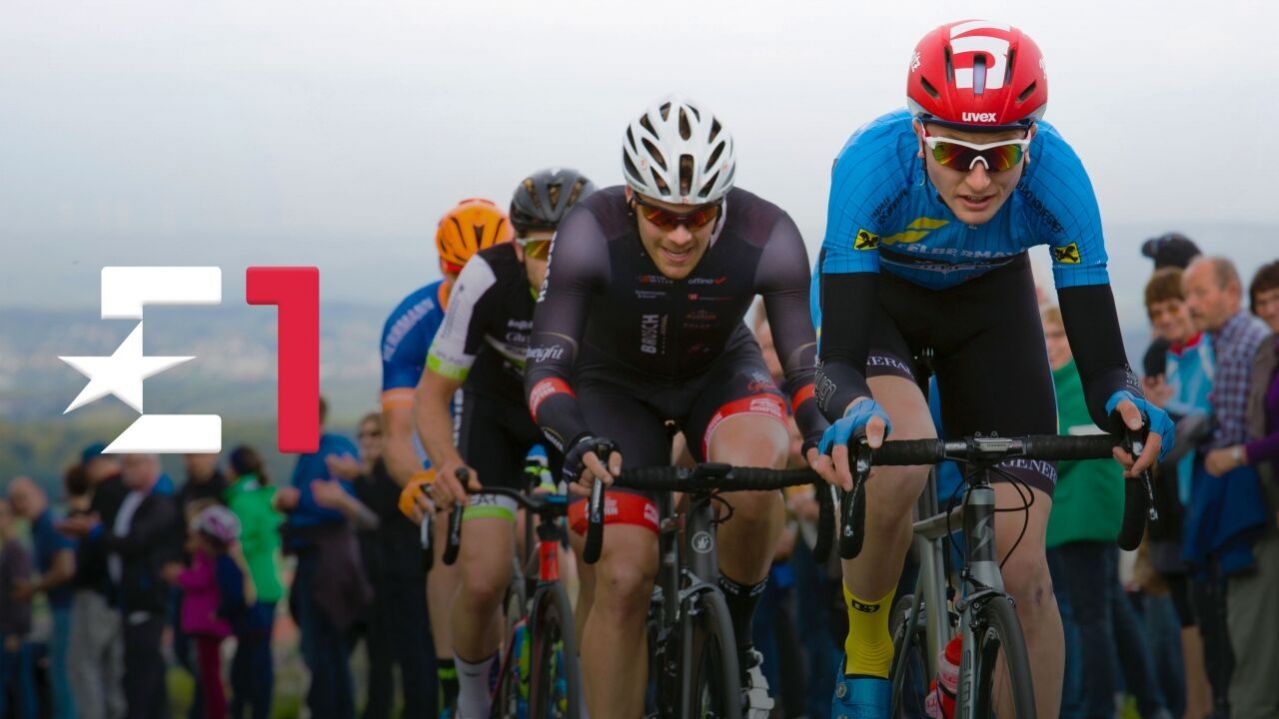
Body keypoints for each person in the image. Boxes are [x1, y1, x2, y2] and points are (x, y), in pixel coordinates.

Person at [813, 22, 1172, 717]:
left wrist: (1126, 404)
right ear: (920, 134)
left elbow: (1104, 366)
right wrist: (853, 406)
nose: (978, 179)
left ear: (1029, 142)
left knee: (1026, 578)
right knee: (900, 454)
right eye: (954, 153)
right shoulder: (871, 164)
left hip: (988, 309)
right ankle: (867, 647)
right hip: (882, 305)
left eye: (1001, 155)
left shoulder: (1059, 177)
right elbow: (838, 363)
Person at [524, 95, 835, 719]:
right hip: (613, 388)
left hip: (719, 371)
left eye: (700, 216)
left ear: (724, 202)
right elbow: (547, 368)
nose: (680, 235)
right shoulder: (590, 229)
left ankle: (738, 642)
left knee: (756, 475)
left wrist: (821, 432)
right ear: (632, 197)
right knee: (622, 580)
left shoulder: (767, 232)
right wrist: (575, 437)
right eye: (662, 214)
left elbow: (803, 368)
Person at [419, 169, 593, 718]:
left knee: (603, 563)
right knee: (483, 578)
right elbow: (431, 396)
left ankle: (587, 683)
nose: (557, 265)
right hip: (494, 417)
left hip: (571, 415)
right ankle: (472, 699)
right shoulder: (484, 278)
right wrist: (446, 463)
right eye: (542, 250)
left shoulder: (608, 280)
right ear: (517, 249)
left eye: (571, 250)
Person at [379, 198, 512, 714]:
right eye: (458, 273)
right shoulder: (413, 321)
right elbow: (397, 433)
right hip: (446, 432)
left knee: (540, 524)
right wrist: (416, 479)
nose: (470, 284)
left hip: (508, 423)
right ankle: (452, 679)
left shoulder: (531, 301)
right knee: (445, 521)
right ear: (442, 266)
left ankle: (547, 643)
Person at [1041, 305, 1173, 719]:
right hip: (1078, 515)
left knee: (1089, 619)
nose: (1051, 346)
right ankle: (1150, 702)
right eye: (1045, 337)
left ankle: (1099, 708)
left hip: (1084, 517)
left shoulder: (1078, 384)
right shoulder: (1058, 383)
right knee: (1110, 612)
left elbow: (1064, 447)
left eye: (1058, 337)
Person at [1189, 257, 1279, 719]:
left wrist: (1236, 456)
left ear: (1231, 292)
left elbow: (1247, 430)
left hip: (1256, 488)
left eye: (1201, 293)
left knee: (1252, 619)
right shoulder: (1234, 342)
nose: (1192, 304)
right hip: (1246, 485)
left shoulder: (1251, 342)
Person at [62, 453, 183, 719]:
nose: (123, 472)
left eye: (130, 465)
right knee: (133, 673)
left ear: (149, 466)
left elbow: (134, 541)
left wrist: (95, 533)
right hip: (128, 599)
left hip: (147, 599)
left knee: (141, 676)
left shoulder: (159, 503)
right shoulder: (133, 499)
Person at [278, 397, 372, 719]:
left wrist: (298, 501)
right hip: (309, 557)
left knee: (326, 647)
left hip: (328, 561)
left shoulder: (334, 448)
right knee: (317, 647)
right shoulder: (308, 453)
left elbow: (342, 502)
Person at [348, 413, 435, 719]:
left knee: (414, 648)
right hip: (386, 574)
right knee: (389, 650)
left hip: (408, 572)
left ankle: (420, 710)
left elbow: (384, 508)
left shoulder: (394, 469)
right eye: (363, 435)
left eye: (374, 434)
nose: (367, 441)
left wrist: (356, 480)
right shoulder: (374, 471)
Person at [64, 444, 127, 719]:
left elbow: (103, 543)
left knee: (84, 664)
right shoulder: (128, 492)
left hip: (97, 590)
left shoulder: (106, 493)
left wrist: (84, 531)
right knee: (114, 669)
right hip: (118, 593)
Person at [223, 445, 284, 719]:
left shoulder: (240, 502)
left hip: (250, 588)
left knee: (247, 658)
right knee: (261, 656)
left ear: (233, 470)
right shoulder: (268, 496)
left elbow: (239, 545)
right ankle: (261, 710)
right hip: (271, 583)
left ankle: (242, 709)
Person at [7, 477, 76, 719]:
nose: (21, 505)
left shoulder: (50, 523)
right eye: (15, 501)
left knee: (63, 674)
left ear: (40, 494)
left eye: (24, 498)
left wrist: (33, 588)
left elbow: (66, 567)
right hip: (57, 607)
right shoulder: (37, 527)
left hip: (67, 606)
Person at [172, 505, 239, 719]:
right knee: (209, 676)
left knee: (211, 678)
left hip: (207, 625)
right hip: (206, 625)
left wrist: (179, 576)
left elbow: (202, 580)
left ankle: (217, 713)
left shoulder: (212, 561)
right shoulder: (219, 560)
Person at [172, 453, 226, 719]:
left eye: (197, 455)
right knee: (191, 656)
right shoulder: (183, 492)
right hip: (192, 593)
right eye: (188, 456)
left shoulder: (223, 491)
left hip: (208, 600)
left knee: (209, 666)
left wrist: (181, 575)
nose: (192, 461)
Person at [0, 497, 36, 719]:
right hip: (8, 628)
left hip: (11, 630)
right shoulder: (8, 551)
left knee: (18, 686)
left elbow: (22, 592)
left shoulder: (15, 552)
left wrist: (15, 631)